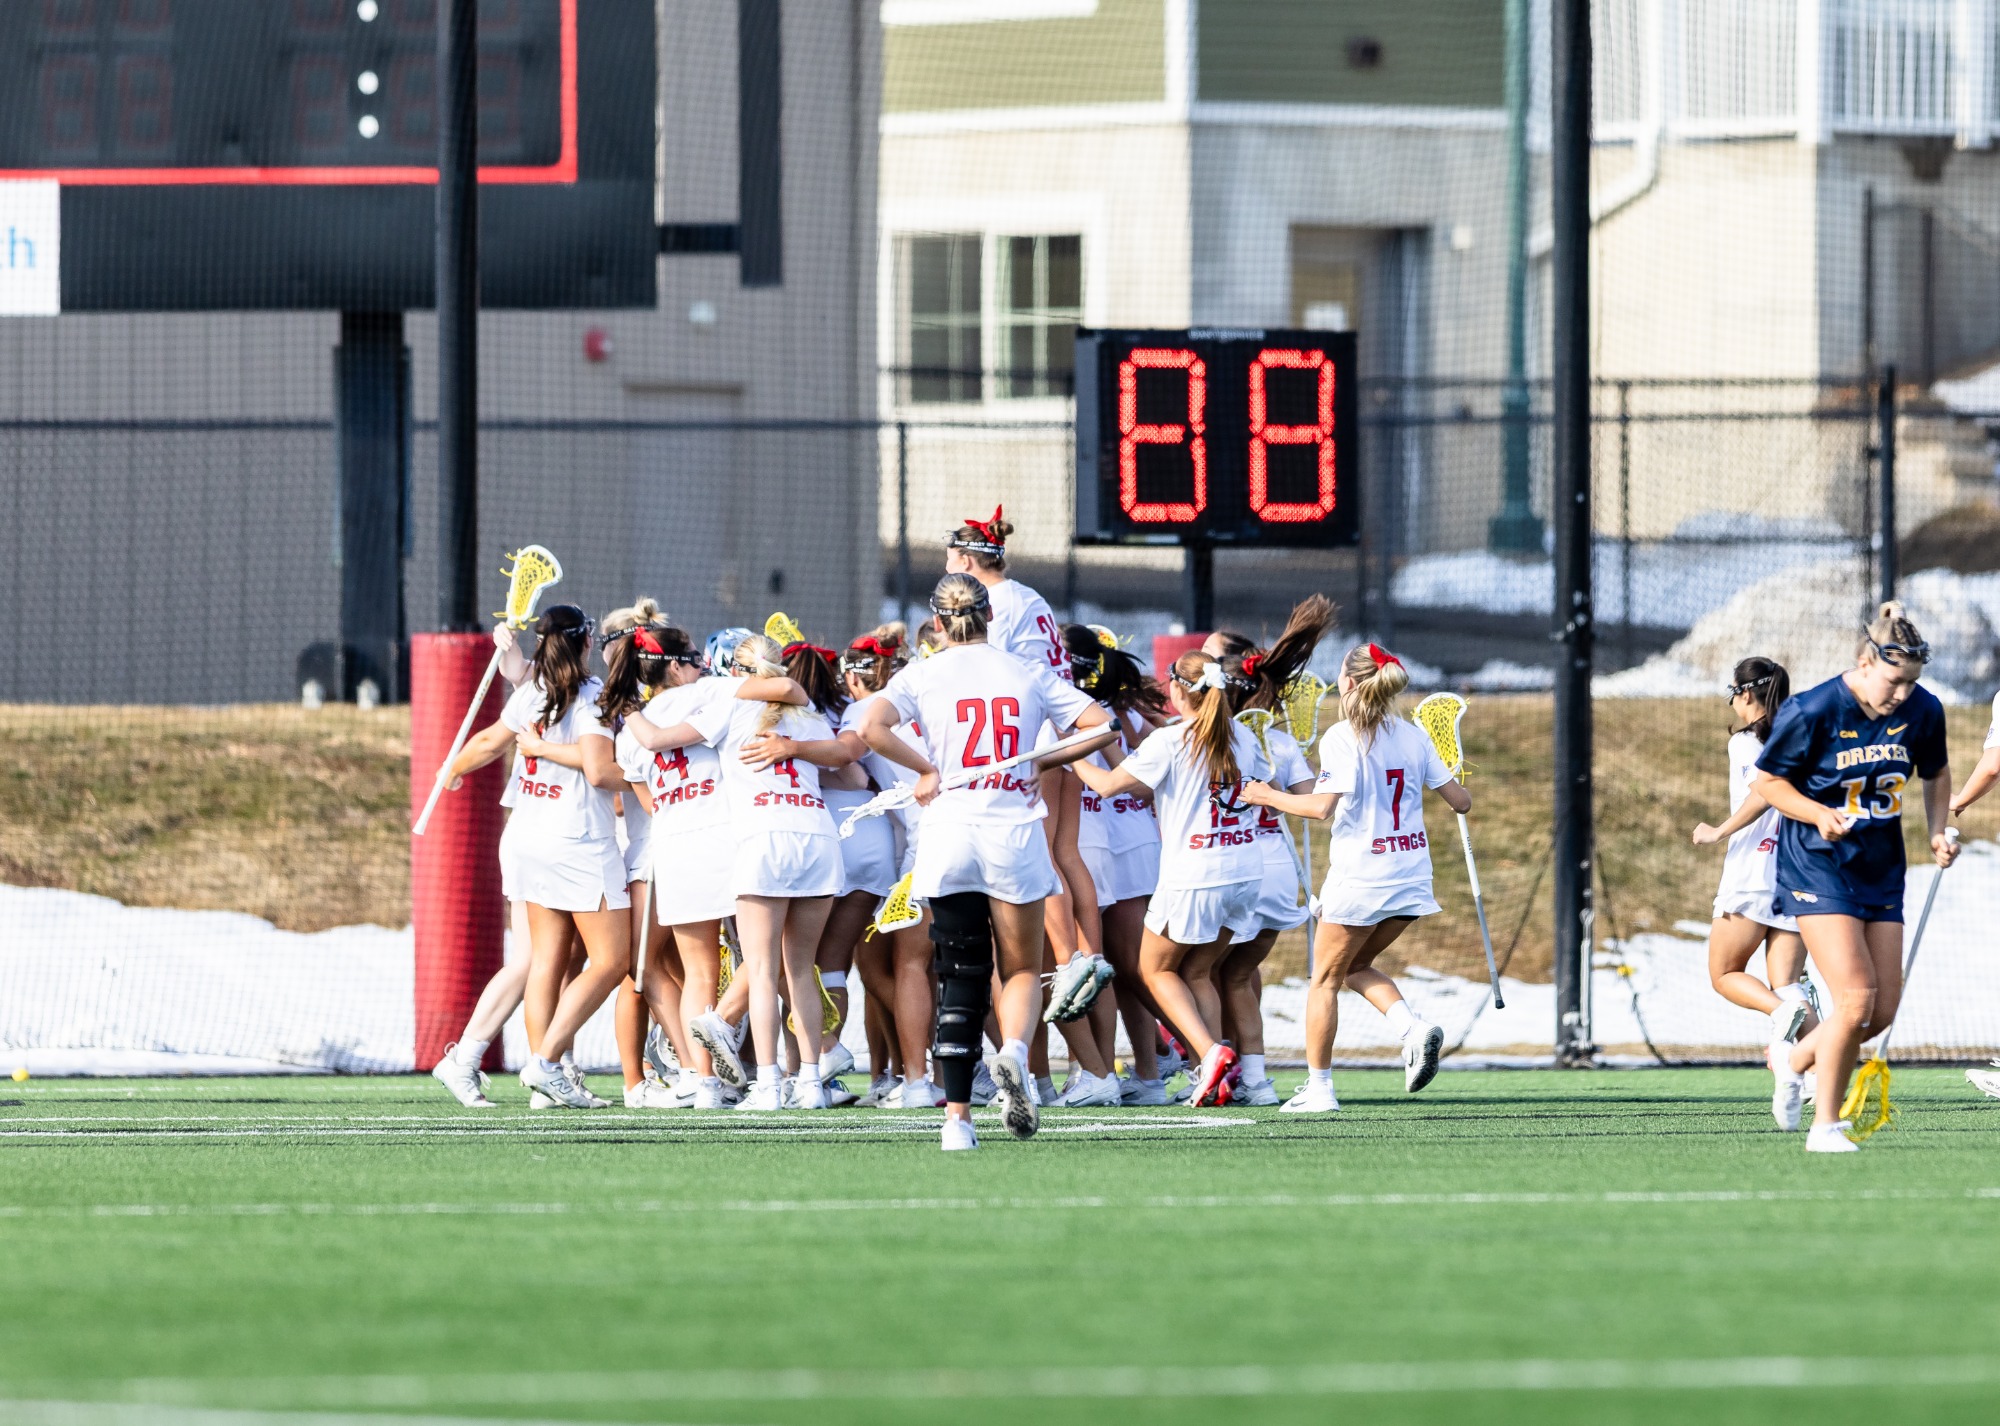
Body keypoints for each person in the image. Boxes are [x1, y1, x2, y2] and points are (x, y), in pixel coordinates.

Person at [858, 573, 1114, 1150]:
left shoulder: (921, 673)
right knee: (1020, 968)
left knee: (958, 974)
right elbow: (1104, 725)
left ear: (940, 621)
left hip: (950, 831)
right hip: (1014, 833)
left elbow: (872, 726)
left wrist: (925, 769)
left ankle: (957, 1123)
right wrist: (1040, 763)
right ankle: (1016, 1054)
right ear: (989, 616)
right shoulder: (1026, 671)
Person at [1754, 602, 1958, 1152]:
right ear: (1865, 662)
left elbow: (1936, 773)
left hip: (1880, 869)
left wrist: (1938, 830)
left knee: (1880, 1010)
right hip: (1816, 865)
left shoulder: (1923, 711)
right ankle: (1825, 1126)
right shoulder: (1812, 709)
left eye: (1912, 682)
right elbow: (1769, 784)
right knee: (1855, 996)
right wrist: (1818, 813)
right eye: (1894, 681)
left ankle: (1794, 1058)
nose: (1902, 694)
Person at [1241, 643, 1469, 1113]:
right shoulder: (1413, 736)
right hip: (1411, 879)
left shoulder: (1342, 737)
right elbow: (1461, 802)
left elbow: (1321, 808)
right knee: (1353, 969)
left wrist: (1267, 795)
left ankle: (1320, 1089)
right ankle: (1411, 1028)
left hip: (1363, 879)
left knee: (1323, 979)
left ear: (1347, 683)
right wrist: (1452, 772)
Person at [638, 634, 854, 1111]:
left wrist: (626, 705)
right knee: (800, 969)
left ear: (737, 671)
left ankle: (769, 1084)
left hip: (763, 839)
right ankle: (812, 1082)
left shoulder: (728, 705)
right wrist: (795, 748)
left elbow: (657, 741)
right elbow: (850, 767)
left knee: (759, 970)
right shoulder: (810, 714)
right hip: (819, 839)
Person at [432, 605, 633, 1109]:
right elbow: (597, 768)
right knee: (612, 960)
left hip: (525, 838)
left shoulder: (532, 692)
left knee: (540, 961)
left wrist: (453, 769)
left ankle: (534, 1075)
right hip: (577, 842)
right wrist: (643, 777)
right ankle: (545, 1063)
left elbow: (487, 742)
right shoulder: (592, 698)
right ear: (586, 643)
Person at [1071, 652, 1271, 1107]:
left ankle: (1209, 1051)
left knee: (1152, 969)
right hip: (1244, 870)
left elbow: (1106, 787)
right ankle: (1217, 1075)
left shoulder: (1172, 739)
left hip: (1196, 874)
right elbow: (1147, 785)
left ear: (1178, 688)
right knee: (1198, 971)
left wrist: (1067, 752)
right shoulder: (1240, 734)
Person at [945, 508, 1110, 1001]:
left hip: (1030, 734)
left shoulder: (990, 604)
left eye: (951, 559)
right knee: (1065, 850)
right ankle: (1088, 955)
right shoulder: (1028, 596)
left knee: (1043, 852)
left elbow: (983, 669)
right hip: (1065, 727)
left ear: (968, 561)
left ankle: (1067, 962)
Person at [1207, 595, 1338, 1107]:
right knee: (1236, 974)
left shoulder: (1215, 739)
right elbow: (1308, 802)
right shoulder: (1282, 743)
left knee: (1197, 972)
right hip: (1282, 872)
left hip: (1235, 866)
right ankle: (1255, 1079)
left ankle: (1216, 1071)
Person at [1688, 658, 1815, 1082]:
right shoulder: (1804, 736)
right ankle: (1821, 1080)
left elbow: (1763, 792)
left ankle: (1782, 1015)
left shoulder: (1745, 742)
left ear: (1745, 694)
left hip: (1755, 871)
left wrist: (1719, 831)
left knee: (1724, 975)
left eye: (1733, 695)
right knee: (1789, 983)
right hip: (1801, 871)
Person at [838, 626, 944, 1108]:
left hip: (922, 849)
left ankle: (921, 1079)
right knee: (976, 964)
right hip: (973, 833)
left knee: (910, 964)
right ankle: (1003, 1070)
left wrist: (791, 747)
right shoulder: (931, 689)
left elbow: (847, 760)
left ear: (854, 679)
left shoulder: (865, 710)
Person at [598, 600, 696, 1109]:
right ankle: (660, 1074)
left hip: (662, 849)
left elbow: (627, 787)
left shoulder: (644, 707)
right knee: (644, 969)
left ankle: (688, 1069)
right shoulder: (632, 708)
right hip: (653, 851)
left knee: (657, 968)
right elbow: (612, 781)